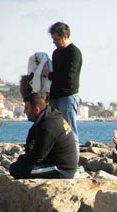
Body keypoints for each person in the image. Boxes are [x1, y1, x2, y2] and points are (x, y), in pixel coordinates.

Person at [9, 93, 78, 179]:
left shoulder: (49, 126)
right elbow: (31, 141)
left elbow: (37, 157)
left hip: (61, 170)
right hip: (53, 163)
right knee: (20, 165)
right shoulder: (47, 118)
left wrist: (22, 160)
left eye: (27, 109)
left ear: (36, 110)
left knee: (15, 169)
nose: (24, 112)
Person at [42, 21, 82, 158]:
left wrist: (50, 74)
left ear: (65, 36)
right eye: (53, 39)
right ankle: (57, 160)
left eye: (57, 39)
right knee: (53, 131)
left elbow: (69, 77)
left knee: (70, 131)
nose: (54, 42)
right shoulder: (56, 53)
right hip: (54, 97)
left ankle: (74, 165)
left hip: (68, 97)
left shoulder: (74, 53)